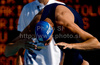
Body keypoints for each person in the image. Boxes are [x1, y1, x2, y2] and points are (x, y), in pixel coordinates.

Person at [18, 3, 100, 65]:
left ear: (52, 32)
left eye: (46, 41)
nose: (45, 44)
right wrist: (19, 58)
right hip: (54, 17)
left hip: (72, 20)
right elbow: (21, 40)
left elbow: (97, 43)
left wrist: (72, 46)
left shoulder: (66, 26)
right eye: (42, 41)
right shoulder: (33, 25)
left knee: (72, 57)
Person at [5, 0, 67, 65]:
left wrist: (63, 62)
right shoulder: (27, 9)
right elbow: (22, 39)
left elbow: (67, 42)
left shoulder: (61, 6)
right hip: (31, 62)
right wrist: (19, 58)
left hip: (55, 61)